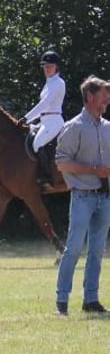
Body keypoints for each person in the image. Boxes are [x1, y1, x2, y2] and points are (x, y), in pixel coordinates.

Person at [53, 75, 110, 316]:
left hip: (105, 198)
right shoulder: (73, 127)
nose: (107, 100)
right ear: (89, 97)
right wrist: (94, 170)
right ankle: (62, 300)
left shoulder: (108, 128)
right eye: (103, 95)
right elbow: (62, 163)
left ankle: (91, 299)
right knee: (74, 248)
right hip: (82, 198)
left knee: (97, 251)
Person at [19, 50, 66, 183]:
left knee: (37, 144)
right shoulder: (49, 83)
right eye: (45, 66)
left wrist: (26, 118)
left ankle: (46, 176)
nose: (47, 69)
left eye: (50, 66)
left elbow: (44, 104)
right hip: (44, 120)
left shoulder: (58, 83)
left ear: (56, 67)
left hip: (54, 120)